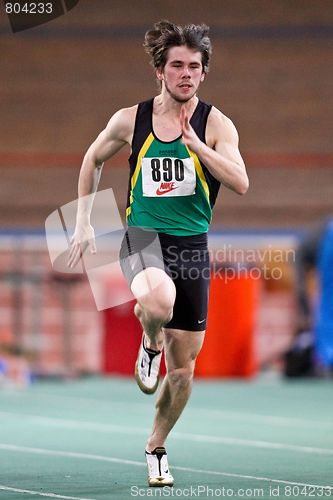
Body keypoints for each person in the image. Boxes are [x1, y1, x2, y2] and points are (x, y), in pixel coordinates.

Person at [68, 20, 249, 487]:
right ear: (159, 71)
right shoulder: (132, 119)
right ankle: (149, 344)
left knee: (184, 371)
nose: (186, 74)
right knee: (156, 300)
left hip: (192, 245)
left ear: (203, 73)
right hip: (144, 236)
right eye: (177, 66)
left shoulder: (217, 124)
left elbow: (241, 182)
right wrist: (85, 221)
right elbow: (93, 157)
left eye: (194, 66)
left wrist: (195, 146)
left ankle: (156, 446)